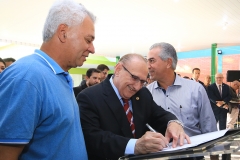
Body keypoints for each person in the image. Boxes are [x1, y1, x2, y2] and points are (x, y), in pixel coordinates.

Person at [0, 0, 95, 159]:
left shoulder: (60, 76)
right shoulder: (27, 77)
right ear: (63, 32)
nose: (92, 49)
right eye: (88, 39)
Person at [77, 53, 190, 160]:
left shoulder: (143, 94)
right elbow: (93, 138)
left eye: (142, 82)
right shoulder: (89, 97)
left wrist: (173, 122)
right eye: (134, 78)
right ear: (118, 69)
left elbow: (159, 114)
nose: (137, 87)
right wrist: (135, 146)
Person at [146, 42, 217, 138]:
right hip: (160, 152)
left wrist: (214, 151)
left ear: (168, 63)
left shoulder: (195, 89)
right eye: (148, 61)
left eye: (152, 61)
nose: (148, 66)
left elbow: (208, 124)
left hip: (192, 151)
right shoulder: (147, 93)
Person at [207, 73, 232, 160]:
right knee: (213, 127)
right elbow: (210, 96)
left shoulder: (226, 87)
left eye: (220, 77)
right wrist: (217, 103)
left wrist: (223, 102)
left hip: (223, 110)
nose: (219, 79)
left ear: (223, 78)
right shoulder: (211, 87)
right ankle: (213, 143)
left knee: (222, 127)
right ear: (215, 78)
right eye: (217, 77)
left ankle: (222, 143)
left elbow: (229, 96)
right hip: (214, 110)